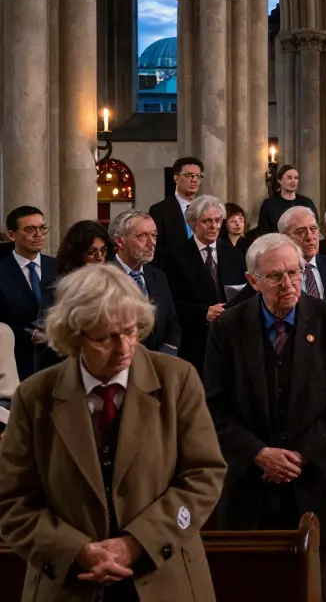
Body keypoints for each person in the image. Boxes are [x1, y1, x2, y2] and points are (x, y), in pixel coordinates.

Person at [0, 264, 227, 602]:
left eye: (132, 331)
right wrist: (76, 550)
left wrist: (136, 543)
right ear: (74, 337)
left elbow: (204, 476)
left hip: (164, 577)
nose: (124, 348)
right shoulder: (35, 396)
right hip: (68, 581)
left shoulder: (177, 380)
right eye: (106, 337)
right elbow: (13, 501)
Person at [203, 233, 326, 602]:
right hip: (250, 488)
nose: (288, 284)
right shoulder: (227, 329)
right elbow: (213, 406)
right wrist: (260, 454)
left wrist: (299, 455)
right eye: (275, 276)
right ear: (253, 280)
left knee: (323, 591)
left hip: (318, 486)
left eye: (294, 273)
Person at [162, 195, 247, 372]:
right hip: (194, 340)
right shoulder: (175, 256)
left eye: (217, 220)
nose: (214, 226)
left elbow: (244, 293)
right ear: (193, 223)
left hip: (230, 339)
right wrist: (204, 313)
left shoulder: (234, 254)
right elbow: (170, 302)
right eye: (207, 221)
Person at [110, 209, 181, 357]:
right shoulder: (104, 278)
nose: (152, 243)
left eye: (154, 235)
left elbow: (172, 321)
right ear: (119, 241)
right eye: (142, 236)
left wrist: (167, 352)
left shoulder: (158, 276)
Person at [1, 206, 57, 380]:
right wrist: (28, 334)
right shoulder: (2, 270)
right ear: (12, 235)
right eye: (30, 230)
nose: (39, 235)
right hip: (16, 364)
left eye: (42, 228)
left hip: (55, 361)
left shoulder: (58, 267)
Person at [279, 206, 326, 302]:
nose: (309, 237)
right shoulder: (276, 274)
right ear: (285, 238)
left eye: (313, 229)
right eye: (301, 232)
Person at [148, 156, 204, 255]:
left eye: (198, 176)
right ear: (176, 178)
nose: (194, 180)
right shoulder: (160, 210)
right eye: (189, 175)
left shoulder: (204, 209)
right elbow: (157, 249)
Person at [256, 164, 319, 237]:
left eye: (296, 178)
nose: (293, 181)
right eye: (289, 178)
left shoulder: (306, 202)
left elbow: (315, 226)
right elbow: (264, 231)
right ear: (279, 180)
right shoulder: (269, 204)